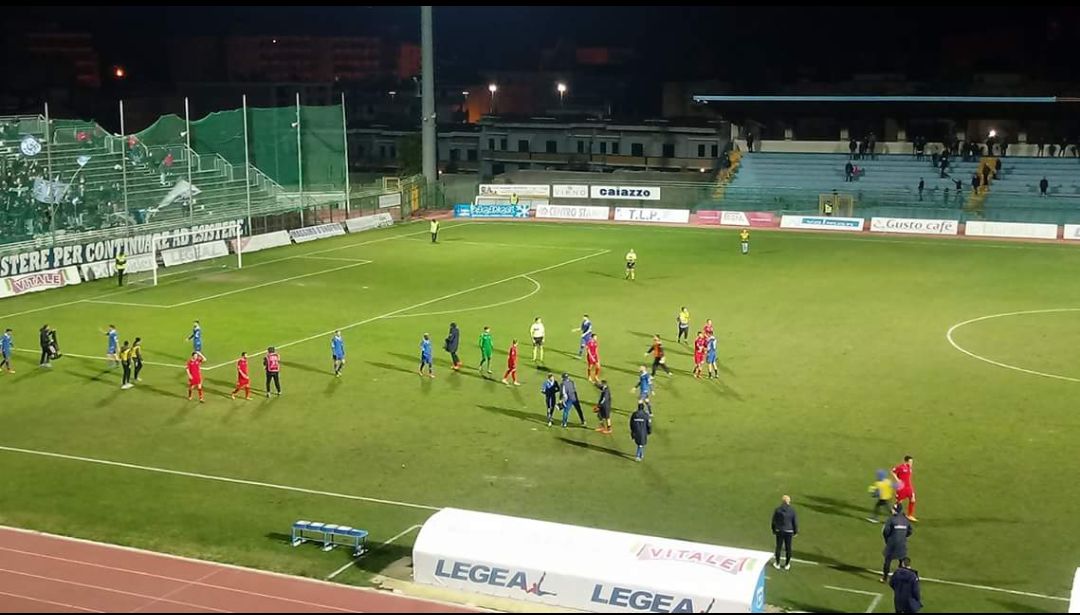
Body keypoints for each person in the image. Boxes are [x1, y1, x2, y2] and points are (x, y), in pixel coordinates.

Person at [882, 503, 913, 582]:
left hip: (892, 543)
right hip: (902, 543)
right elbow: (910, 531)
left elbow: (886, 531)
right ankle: (902, 577)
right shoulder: (905, 519)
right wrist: (903, 536)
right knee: (902, 559)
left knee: (888, 560)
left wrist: (887, 539)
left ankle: (885, 578)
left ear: (895, 510)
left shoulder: (891, 519)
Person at [771, 495, 798, 570]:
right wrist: (795, 531)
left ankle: (777, 563)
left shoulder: (778, 509)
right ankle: (787, 564)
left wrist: (773, 530)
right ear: (789, 501)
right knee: (788, 548)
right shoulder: (792, 510)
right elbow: (794, 522)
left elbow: (773, 521)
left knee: (778, 547)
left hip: (780, 530)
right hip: (789, 531)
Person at [892, 455, 917, 521]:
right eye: (910, 462)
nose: (911, 463)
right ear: (906, 461)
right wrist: (897, 480)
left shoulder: (910, 468)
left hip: (909, 487)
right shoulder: (901, 467)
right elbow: (893, 471)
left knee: (913, 500)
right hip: (902, 487)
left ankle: (910, 515)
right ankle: (894, 508)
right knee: (899, 501)